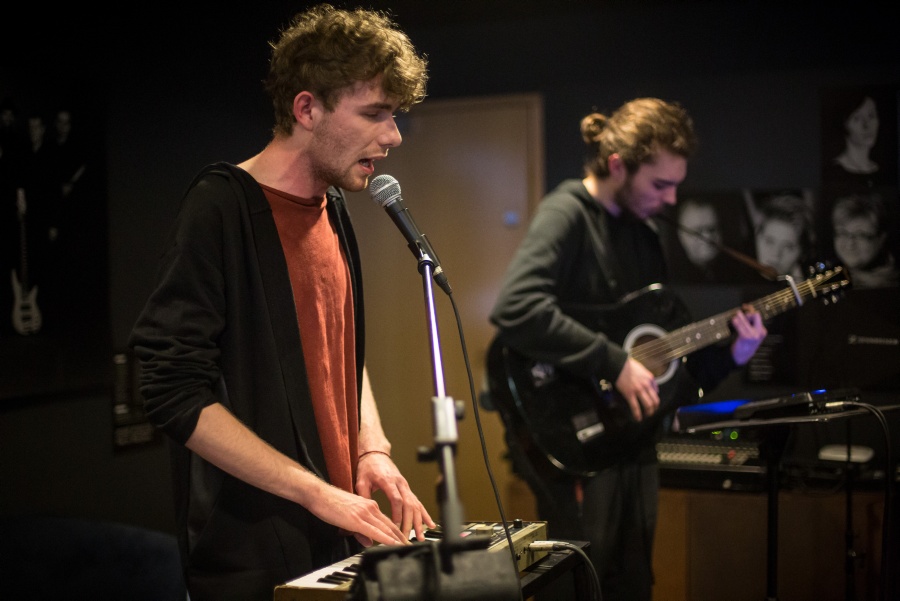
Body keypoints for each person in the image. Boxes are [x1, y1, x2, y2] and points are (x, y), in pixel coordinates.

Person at [128, 5, 435, 600]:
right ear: (307, 109)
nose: (393, 136)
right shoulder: (220, 206)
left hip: (337, 535)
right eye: (375, 113)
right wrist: (314, 491)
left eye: (394, 116)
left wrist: (370, 448)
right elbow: (170, 391)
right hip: (253, 557)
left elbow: (340, 351)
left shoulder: (334, 208)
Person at [488, 98, 767, 601]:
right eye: (660, 184)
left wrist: (734, 355)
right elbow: (516, 307)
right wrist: (614, 362)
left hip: (632, 440)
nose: (672, 198)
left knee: (632, 582)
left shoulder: (644, 236)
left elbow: (666, 367)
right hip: (571, 436)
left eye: (676, 184)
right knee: (580, 582)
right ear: (617, 165)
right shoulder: (567, 213)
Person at [831, 191, 899, 288]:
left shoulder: (892, 286)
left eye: (861, 235)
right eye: (843, 233)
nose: (850, 243)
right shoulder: (830, 279)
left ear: (881, 239)